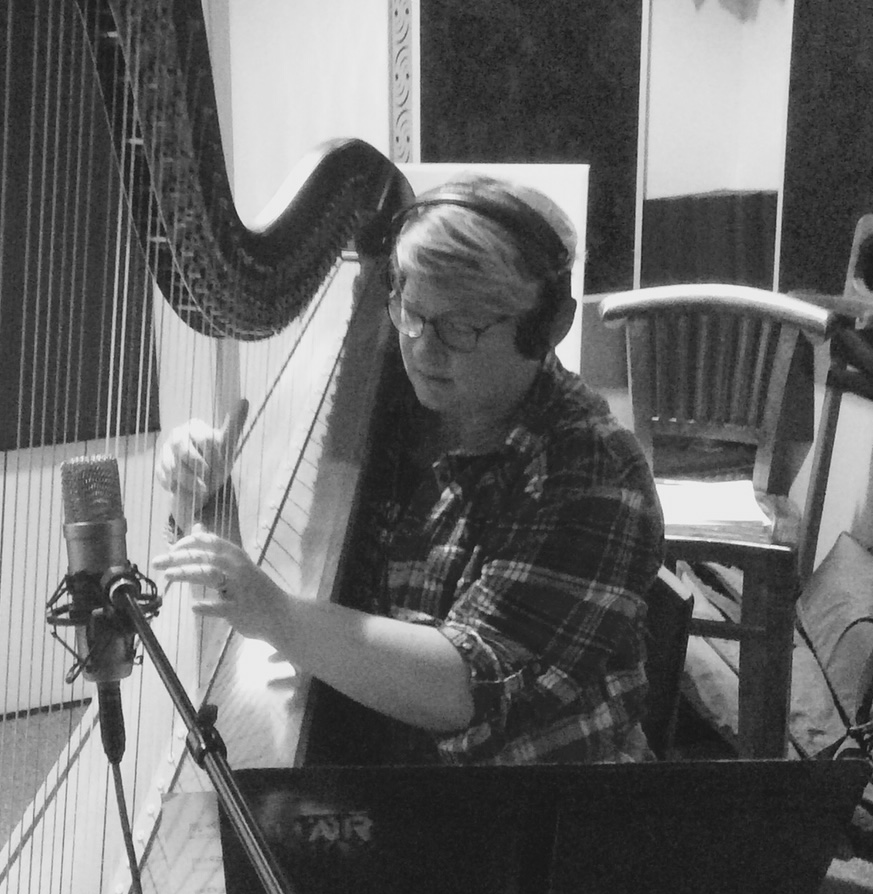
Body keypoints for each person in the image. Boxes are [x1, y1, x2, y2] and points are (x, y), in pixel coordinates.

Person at [151, 174, 664, 765]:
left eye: (462, 327)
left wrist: (280, 615)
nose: (423, 348)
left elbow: (468, 687)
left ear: (548, 327)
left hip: (533, 802)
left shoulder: (593, 473)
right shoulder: (396, 409)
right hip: (396, 769)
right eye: (412, 312)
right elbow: (268, 611)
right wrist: (207, 497)